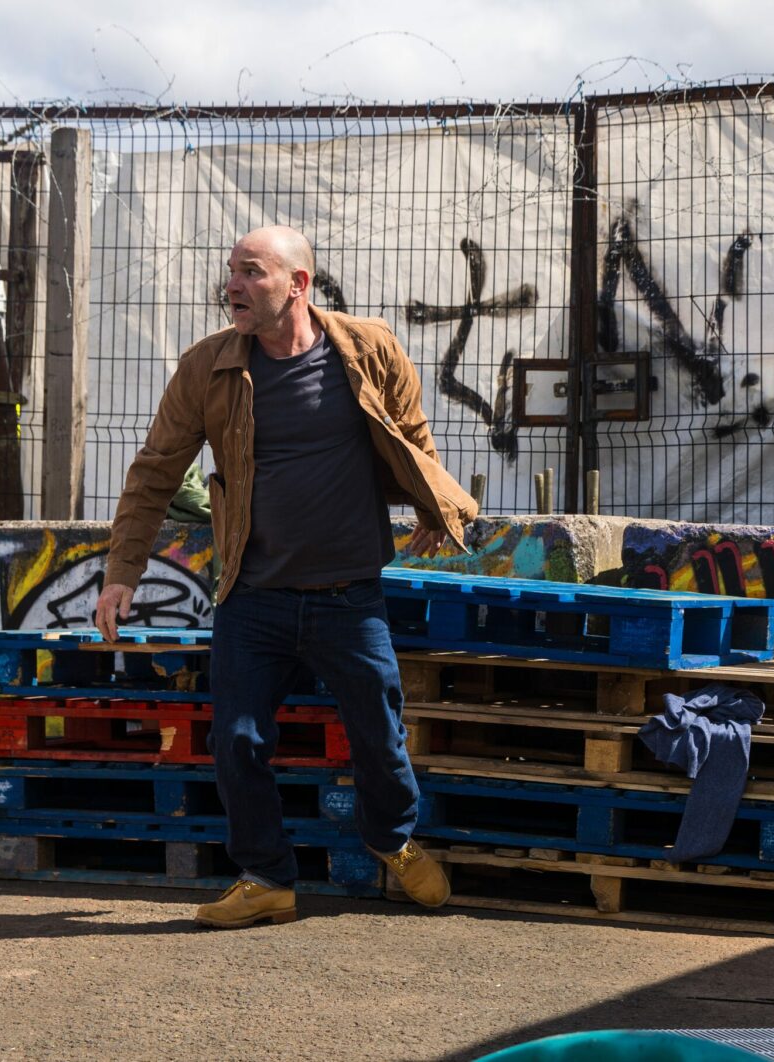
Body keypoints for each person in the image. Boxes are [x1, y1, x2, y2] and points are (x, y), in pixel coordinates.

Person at [96, 225, 479, 928]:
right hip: (253, 595)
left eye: (251, 272)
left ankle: (391, 838)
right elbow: (154, 472)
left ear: (298, 284)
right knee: (236, 742)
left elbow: (411, 433)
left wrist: (435, 505)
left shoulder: (368, 349)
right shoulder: (207, 368)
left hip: (349, 595)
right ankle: (267, 877)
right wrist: (123, 572)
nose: (232, 286)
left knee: (380, 737)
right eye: (231, 272)